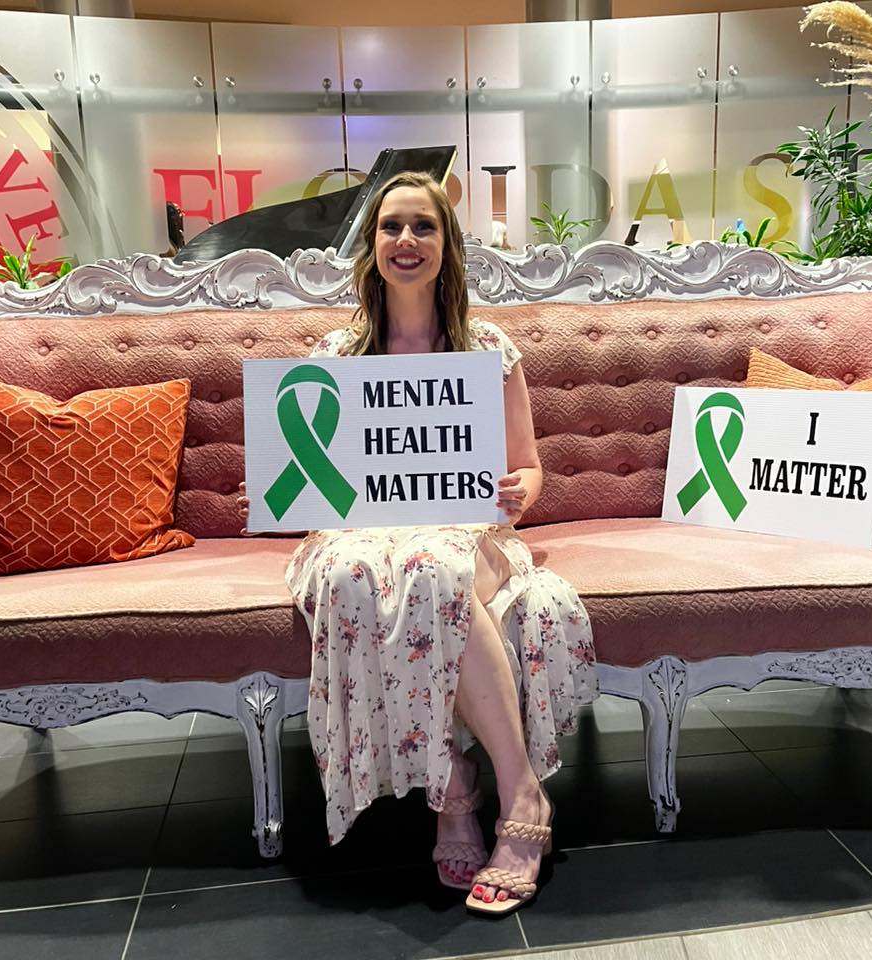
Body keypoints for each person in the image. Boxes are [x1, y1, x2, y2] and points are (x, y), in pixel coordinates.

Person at [238, 171, 597, 916]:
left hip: (462, 529)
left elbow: (529, 466)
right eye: (391, 227)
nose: (407, 240)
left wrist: (519, 493)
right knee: (353, 573)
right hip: (363, 533)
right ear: (371, 246)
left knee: (433, 566)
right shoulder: (336, 354)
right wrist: (282, 486)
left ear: (447, 244)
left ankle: (518, 794)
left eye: (423, 226)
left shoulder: (488, 348)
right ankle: (455, 787)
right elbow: (309, 472)